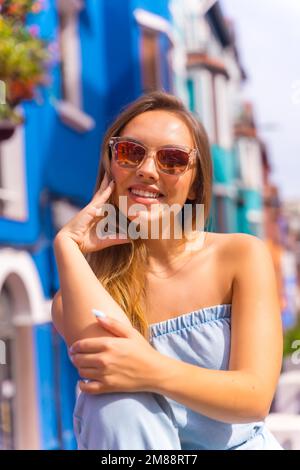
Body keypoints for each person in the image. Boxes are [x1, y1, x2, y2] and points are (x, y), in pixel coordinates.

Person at [52, 91, 284, 450]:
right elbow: (110, 377)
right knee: (113, 403)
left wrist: (150, 369)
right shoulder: (82, 291)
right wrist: (66, 245)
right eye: (130, 152)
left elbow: (254, 399)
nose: (146, 169)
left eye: (172, 160)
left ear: (195, 183)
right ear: (111, 164)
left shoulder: (240, 255)